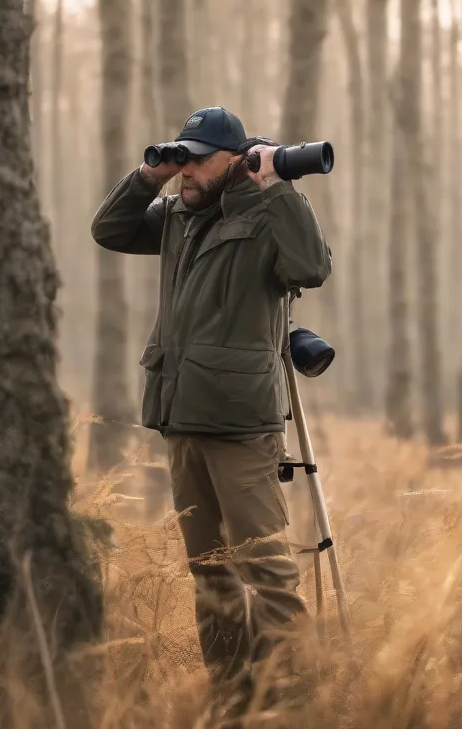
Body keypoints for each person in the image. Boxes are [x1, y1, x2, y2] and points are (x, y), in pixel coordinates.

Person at [91, 106, 332, 707]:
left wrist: (276, 185)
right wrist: (149, 176)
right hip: (182, 417)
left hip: (241, 425)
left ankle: (293, 704)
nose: (188, 170)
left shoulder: (267, 215)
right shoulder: (177, 215)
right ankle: (233, 699)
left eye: (199, 159)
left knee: (266, 571)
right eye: (184, 157)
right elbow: (109, 230)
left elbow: (311, 267)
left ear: (236, 159)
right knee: (212, 571)